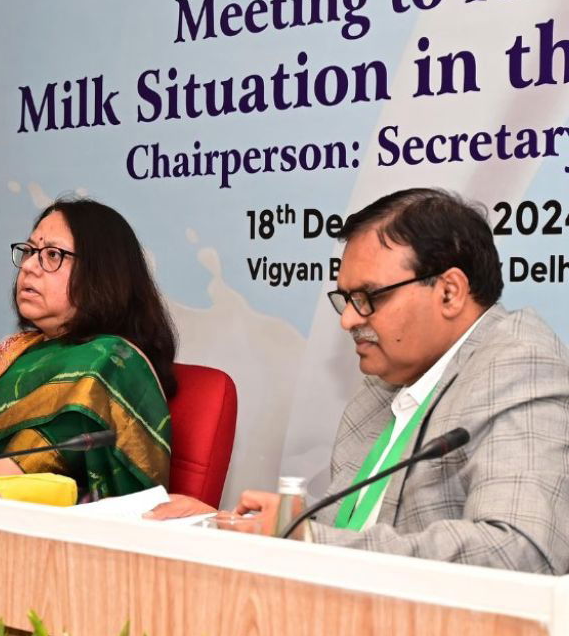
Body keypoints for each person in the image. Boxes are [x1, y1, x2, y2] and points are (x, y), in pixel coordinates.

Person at [151, 188, 569, 575]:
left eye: (370, 297)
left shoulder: (519, 366)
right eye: (346, 299)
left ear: (449, 292)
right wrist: (222, 523)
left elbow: (520, 550)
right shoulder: (385, 381)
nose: (349, 319)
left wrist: (309, 540)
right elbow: (357, 526)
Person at [0, 198, 177, 500]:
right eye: (29, 251)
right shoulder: (16, 351)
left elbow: (17, 475)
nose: (29, 266)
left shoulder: (106, 363)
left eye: (52, 255)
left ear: (102, 271)